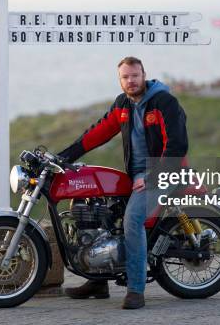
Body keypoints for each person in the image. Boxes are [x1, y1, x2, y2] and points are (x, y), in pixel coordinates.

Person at [58, 56, 188, 309]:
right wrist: (63, 157)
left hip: (165, 172)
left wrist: (152, 175)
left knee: (132, 219)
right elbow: (98, 132)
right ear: (120, 80)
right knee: (90, 205)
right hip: (136, 176)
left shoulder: (164, 102)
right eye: (125, 77)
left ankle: (136, 290)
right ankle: (97, 280)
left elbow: (177, 145)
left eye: (135, 75)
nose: (131, 81)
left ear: (144, 75)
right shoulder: (123, 105)